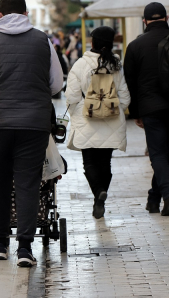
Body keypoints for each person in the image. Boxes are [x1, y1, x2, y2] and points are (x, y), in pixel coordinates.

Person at [0, 0, 63, 267]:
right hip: (33, 125)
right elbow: (56, 84)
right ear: (26, 13)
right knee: (28, 183)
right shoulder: (43, 39)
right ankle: (24, 248)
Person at [124, 2, 169, 216]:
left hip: (151, 108)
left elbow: (130, 82)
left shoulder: (136, 46)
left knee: (158, 155)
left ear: (144, 21)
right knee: (164, 155)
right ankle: (154, 199)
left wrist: (135, 113)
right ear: (167, 18)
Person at [66, 26, 130, 219]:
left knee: (90, 164)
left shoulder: (80, 65)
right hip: (112, 120)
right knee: (105, 163)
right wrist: (113, 109)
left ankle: (98, 192)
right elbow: (125, 96)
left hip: (87, 121)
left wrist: (81, 111)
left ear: (92, 42)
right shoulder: (116, 64)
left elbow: (72, 97)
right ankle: (99, 198)